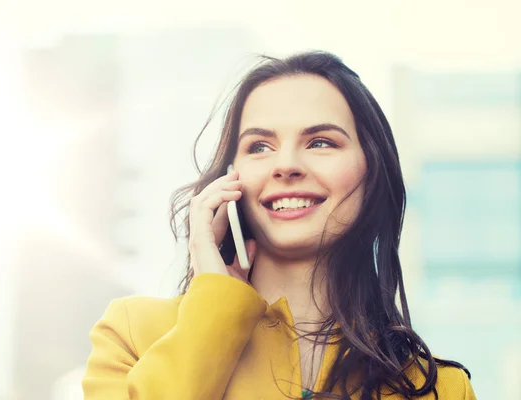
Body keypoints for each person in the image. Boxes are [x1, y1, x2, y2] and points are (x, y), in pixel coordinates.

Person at [82, 51, 476, 399]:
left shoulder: (439, 388)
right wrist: (214, 308)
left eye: (320, 142)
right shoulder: (133, 334)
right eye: (259, 147)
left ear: (372, 171)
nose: (285, 165)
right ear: (229, 179)